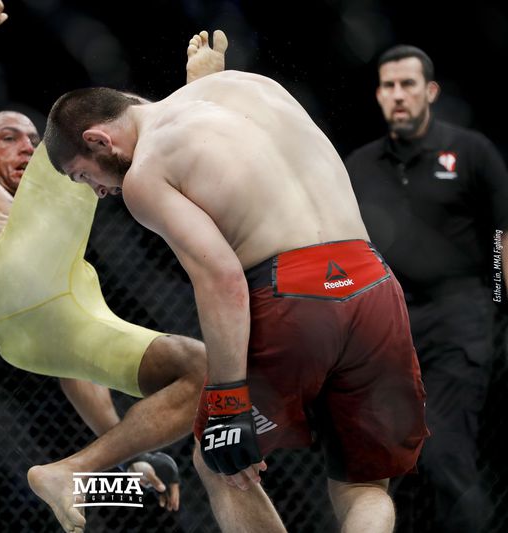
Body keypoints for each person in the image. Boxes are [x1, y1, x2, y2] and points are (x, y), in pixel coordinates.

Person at [44, 30, 430, 532]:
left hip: (294, 296)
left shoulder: (145, 173)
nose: (97, 191)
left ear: (99, 140)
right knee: (363, 485)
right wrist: (202, 80)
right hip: (373, 283)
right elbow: (228, 145)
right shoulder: (254, 86)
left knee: (219, 459)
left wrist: (228, 401)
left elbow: (221, 277)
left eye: (83, 176)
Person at [0, 2, 230, 531]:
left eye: (29, 139)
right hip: (7, 289)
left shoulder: (48, 228)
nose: (26, 145)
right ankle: (191, 99)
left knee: (199, 369)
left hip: (42, 330)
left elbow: (74, 371)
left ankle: (73, 470)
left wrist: (131, 455)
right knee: (79, 123)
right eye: (8, 137)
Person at [344, 44, 508, 532]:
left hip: (459, 318)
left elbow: (501, 237)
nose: (398, 95)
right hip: (388, 328)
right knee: (393, 462)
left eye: (408, 85)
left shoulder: (472, 152)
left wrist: (497, 303)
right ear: (378, 94)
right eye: (389, 86)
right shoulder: (360, 165)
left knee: (444, 452)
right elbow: (345, 248)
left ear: (430, 91)